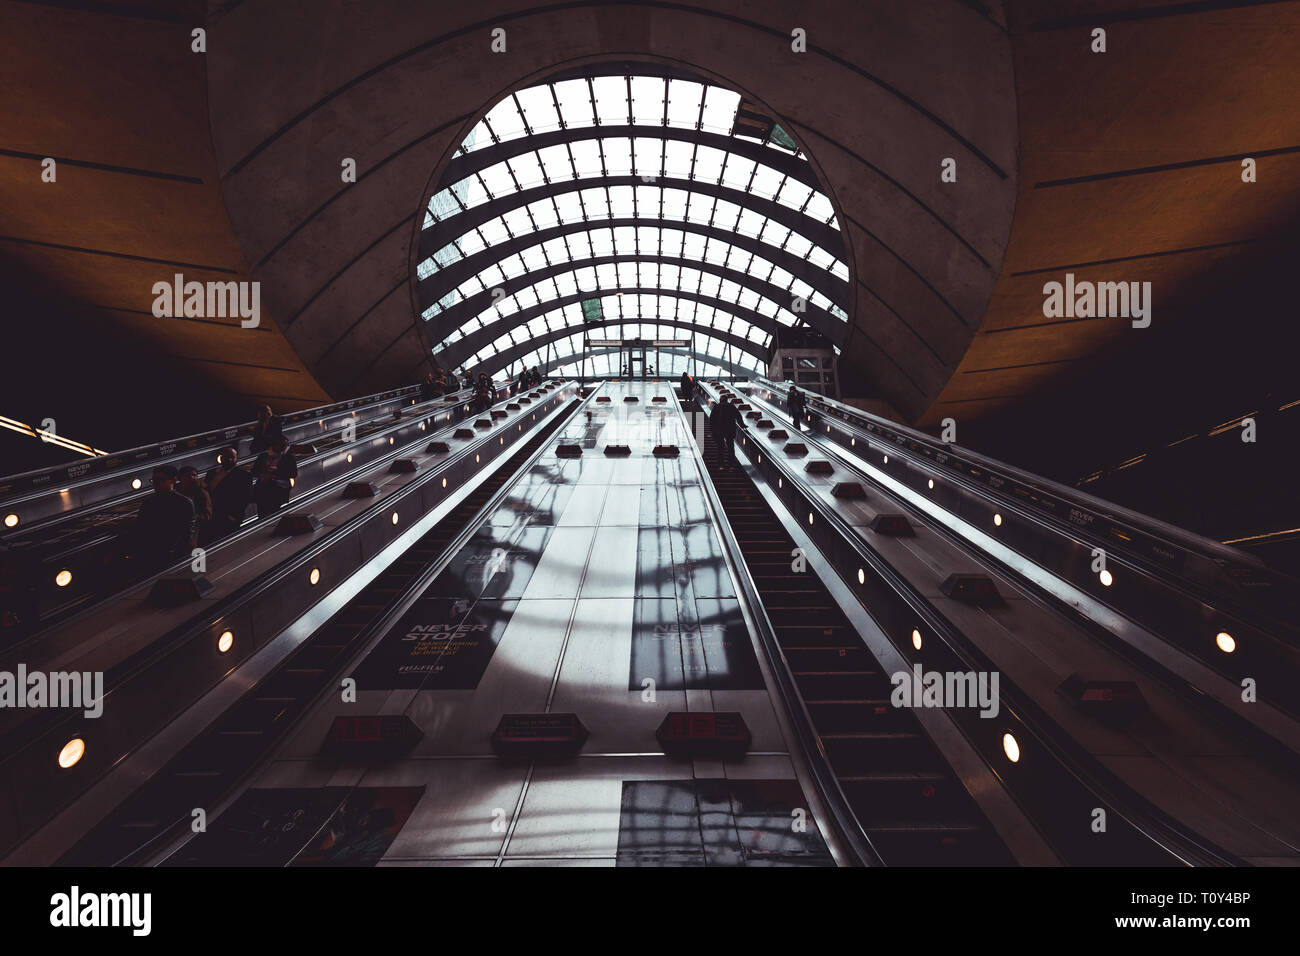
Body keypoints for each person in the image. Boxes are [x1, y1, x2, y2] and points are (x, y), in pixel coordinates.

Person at [125, 465, 195, 568]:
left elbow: (186, 535)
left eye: (160, 480)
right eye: (154, 480)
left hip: (165, 556)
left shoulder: (150, 503)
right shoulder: (184, 502)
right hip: (156, 555)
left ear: (173, 481)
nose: (155, 484)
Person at [203, 446, 254, 544]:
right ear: (221, 458)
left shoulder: (244, 476)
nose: (229, 459)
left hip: (227, 517)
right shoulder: (211, 473)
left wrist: (233, 516)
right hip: (211, 514)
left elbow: (245, 497)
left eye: (232, 457)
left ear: (236, 458)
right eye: (226, 457)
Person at [254, 436, 299, 518]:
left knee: (276, 514)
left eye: (286, 445)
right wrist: (263, 474)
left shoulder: (289, 458)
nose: (284, 447)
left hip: (278, 491)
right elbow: (254, 472)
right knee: (262, 514)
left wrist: (276, 473)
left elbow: (294, 473)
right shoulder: (263, 457)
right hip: (262, 491)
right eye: (282, 445)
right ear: (274, 445)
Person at [177, 465, 212, 548]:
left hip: (196, 534)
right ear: (180, 478)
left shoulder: (202, 493)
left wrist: (191, 517)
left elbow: (207, 516)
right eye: (188, 476)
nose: (192, 478)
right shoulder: (177, 493)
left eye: (194, 475)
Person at [712, 397, 740, 468]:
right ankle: (731, 463)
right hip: (730, 429)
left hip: (720, 430)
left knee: (720, 447)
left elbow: (712, 419)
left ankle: (721, 463)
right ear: (727, 400)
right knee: (730, 446)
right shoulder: (731, 406)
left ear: (720, 400)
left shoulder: (717, 407)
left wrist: (713, 430)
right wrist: (742, 425)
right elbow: (738, 416)